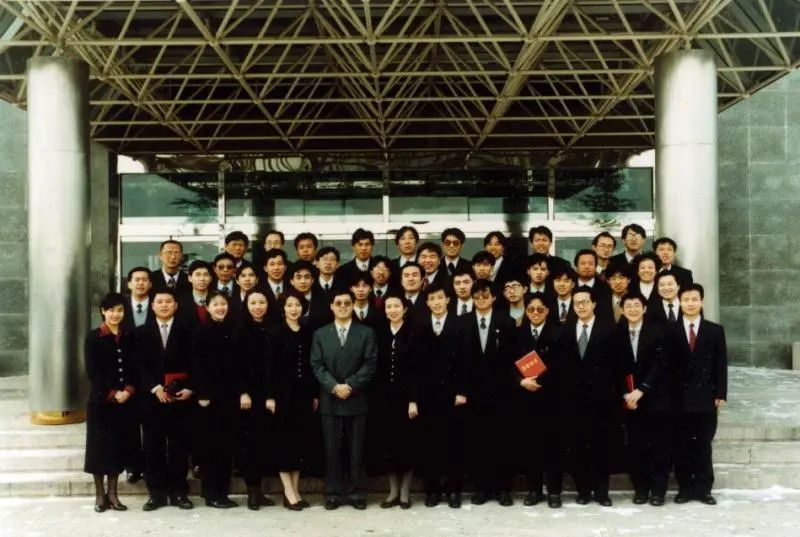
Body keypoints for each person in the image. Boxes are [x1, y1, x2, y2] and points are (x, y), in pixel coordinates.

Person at [310, 290, 378, 510]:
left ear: (353, 305)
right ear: (331, 306)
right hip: (330, 400)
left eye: (347, 303)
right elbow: (317, 364)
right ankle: (333, 493)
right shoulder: (321, 334)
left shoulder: (366, 333)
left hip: (356, 398)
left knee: (357, 449)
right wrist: (334, 386)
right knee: (332, 449)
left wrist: (350, 385)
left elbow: (370, 364)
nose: (342, 306)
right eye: (338, 303)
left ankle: (357, 493)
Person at [135, 289, 195, 511]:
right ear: (152, 306)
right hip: (152, 399)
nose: (164, 305)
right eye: (159, 302)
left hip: (181, 398)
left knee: (179, 446)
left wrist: (190, 388)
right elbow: (137, 366)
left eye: (168, 301)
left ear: (176, 305)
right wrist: (155, 388)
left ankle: (179, 492)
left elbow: (196, 363)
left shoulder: (189, 330)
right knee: (153, 447)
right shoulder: (141, 333)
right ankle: (156, 494)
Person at [670, 283, 727, 506]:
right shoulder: (671, 330)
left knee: (703, 444)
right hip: (678, 398)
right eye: (686, 300)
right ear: (679, 302)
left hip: (705, 397)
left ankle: (704, 490)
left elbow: (720, 364)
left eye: (694, 299)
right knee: (681, 445)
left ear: (701, 302)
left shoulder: (715, 330)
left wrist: (721, 393)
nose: (690, 303)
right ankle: (684, 489)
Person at [563, 286, 621, 506]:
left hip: (602, 399)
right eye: (576, 303)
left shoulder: (609, 329)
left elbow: (618, 365)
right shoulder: (566, 330)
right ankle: (584, 490)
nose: (580, 306)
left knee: (602, 445)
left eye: (585, 302)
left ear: (594, 303)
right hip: (574, 400)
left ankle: (602, 492)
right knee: (578, 445)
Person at [462, 279, 516, 507]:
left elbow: (513, 358)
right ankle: (481, 489)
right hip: (473, 393)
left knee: (502, 440)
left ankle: (503, 489)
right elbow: (458, 361)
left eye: (485, 295)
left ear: (494, 297)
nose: (481, 299)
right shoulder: (462, 322)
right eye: (477, 296)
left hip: (501, 392)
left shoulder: (507, 321)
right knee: (477, 441)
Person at [84, 292, 139, 512]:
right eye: (111, 310)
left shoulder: (129, 336)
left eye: (119, 310)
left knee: (117, 447)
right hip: (101, 401)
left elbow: (134, 367)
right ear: (102, 312)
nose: (115, 314)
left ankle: (113, 494)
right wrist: (113, 392)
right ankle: (100, 495)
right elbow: (92, 371)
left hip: (124, 402)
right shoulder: (94, 337)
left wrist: (128, 390)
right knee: (99, 449)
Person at [616, 292, 672, 507]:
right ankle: (640, 489)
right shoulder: (617, 333)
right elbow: (614, 367)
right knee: (636, 447)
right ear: (622, 310)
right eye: (628, 305)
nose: (632, 309)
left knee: (659, 446)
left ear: (645, 308)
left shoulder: (658, 331)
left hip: (655, 397)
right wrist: (625, 393)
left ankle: (658, 491)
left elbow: (661, 364)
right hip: (630, 401)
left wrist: (642, 390)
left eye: (636, 305)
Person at [416, 283, 468, 508]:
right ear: (427, 303)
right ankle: (432, 490)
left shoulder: (460, 325)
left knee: (454, 442)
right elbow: (415, 366)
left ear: (448, 299)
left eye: (440, 298)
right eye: (432, 299)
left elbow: (466, 361)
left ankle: (454, 490)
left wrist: (462, 391)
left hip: (453, 394)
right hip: (428, 396)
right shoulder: (421, 326)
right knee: (430, 442)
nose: (436, 302)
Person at [512, 292, 567, 508]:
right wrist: (521, 382)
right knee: (531, 445)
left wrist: (539, 380)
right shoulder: (518, 334)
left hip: (552, 397)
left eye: (540, 309)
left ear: (547, 311)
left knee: (554, 445)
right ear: (526, 312)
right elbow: (507, 364)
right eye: (531, 309)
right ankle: (534, 490)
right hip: (526, 397)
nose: (535, 313)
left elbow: (562, 364)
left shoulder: (559, 333)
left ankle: (554, 492)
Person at [271, 291, 318, 510]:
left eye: (297, 305)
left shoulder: (308, 332)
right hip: (282, 394)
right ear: (283, 308)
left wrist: (314, 394)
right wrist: (270, 396)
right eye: (289, 305)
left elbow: (312, 365)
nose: (294, 309)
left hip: (304, 394)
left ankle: (296, 491)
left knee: (299, 441)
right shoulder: (276, 332)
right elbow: (269, 367)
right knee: (283, 442)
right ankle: (288, 492)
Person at [192, 292, 240, 508]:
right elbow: (197, 365)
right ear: (207, 307)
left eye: (223, 304)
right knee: (211, 446)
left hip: (229, 396)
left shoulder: (232, 329)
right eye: (216, 304)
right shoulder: (201, 332)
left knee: (226, 445)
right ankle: (211, 493)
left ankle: (222, 492)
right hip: (209, 398)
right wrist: (202, 394)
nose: (220, 307)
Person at [372, 293, 419, 509]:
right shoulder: (380, 333)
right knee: (387, 445)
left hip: (406, 399)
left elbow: (416, 370)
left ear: (404, 309)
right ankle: (392, 492)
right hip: (384, 398)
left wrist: (413, 400)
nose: (392, 310)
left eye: (396, 306)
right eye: (389, 306)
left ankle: (405, 492)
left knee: (407, 445)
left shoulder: (413, 332)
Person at [236, 289, 277, 510]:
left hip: (269, 394)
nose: (258, 307)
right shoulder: (240, 329)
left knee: (264, 442)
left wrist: (271, 395)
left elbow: (276, 366)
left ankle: (260, 491)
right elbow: (237, 365)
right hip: (247, 396)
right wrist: (243, 392)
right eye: (253, 303)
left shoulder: (274, 328)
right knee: (249, 443)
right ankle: (252, 491)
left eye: (262, 302)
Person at [289, 260, 331, 330]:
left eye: (307, 277)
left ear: (313, 280)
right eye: (298, 277)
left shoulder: (324, 299)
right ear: (292, 281)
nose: (303, 281)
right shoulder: (284, 299)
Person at [177, 260, 213, 329]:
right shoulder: (180, 301)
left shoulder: (218, 298)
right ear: (190, 278)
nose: (202, 279)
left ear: (210, 278)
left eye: (206, 275)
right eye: (198, 275)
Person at [122, 267, 153, 332]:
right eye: (137, 280)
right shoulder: (121, 304)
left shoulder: (158, 304)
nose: (140, 283)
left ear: (150, 284)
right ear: (129, 284)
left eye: (144, 280)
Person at [263, 248, 289, 323]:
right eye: (272, 264)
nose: (276, 268)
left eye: (280, 264)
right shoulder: (259, 289)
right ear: (265, 268)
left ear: (285, 267)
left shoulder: (292, 287)